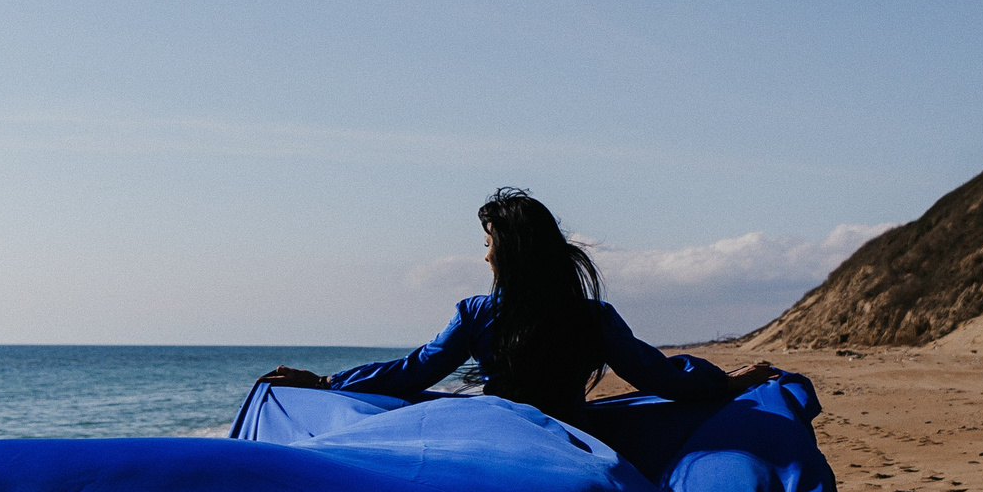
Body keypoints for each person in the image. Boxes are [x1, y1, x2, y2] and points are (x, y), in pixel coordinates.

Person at [261, 189, 779, 419]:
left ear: (508, 252)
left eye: (488, 244)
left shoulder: (476, 313)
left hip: (496, 427)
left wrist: (327, 383)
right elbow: (657, 376)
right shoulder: (592, 316)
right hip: (574, 433)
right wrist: (728, 384)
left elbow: (413, 372)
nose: (484, 255)